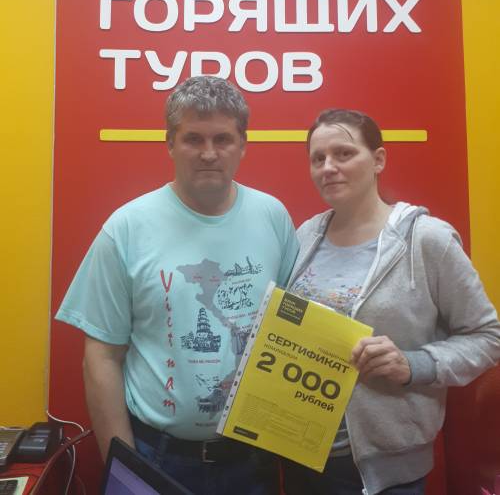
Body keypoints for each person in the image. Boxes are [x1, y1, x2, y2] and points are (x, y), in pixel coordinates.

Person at [56, 76, 298, 495]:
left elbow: (294, 331)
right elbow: (102, 358)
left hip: (253, 459)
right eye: (193, 139)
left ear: (243, 144)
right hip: (159, 458)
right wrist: (127, 470)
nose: (209, 153)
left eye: (223, 139)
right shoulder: (126, 228)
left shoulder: (273, 217)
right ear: (170, 143)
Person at [282, 108, 500, 495]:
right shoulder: (305, 235)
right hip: (300, 454)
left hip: (384, 472)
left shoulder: (426, 240)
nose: (328, 167)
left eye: (344, 153)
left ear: (378, 159)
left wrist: (413, 364)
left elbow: (487, 337)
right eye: (318, 158)